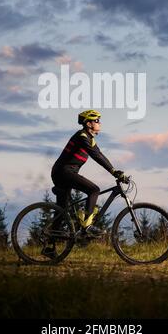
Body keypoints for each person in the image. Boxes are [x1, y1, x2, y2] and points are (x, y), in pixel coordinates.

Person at [43, 110, 125, 258]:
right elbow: (95, 156)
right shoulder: (82, 137)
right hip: (64, 172)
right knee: (94, 190)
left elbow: (99, 154)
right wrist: (113, 172)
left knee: (61, 210)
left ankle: (49, 247)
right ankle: (86, 226)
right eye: (97, 120)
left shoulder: (89, 138)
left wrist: (115, 171)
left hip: (63, 172)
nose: (99, 123)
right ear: (89, 123)